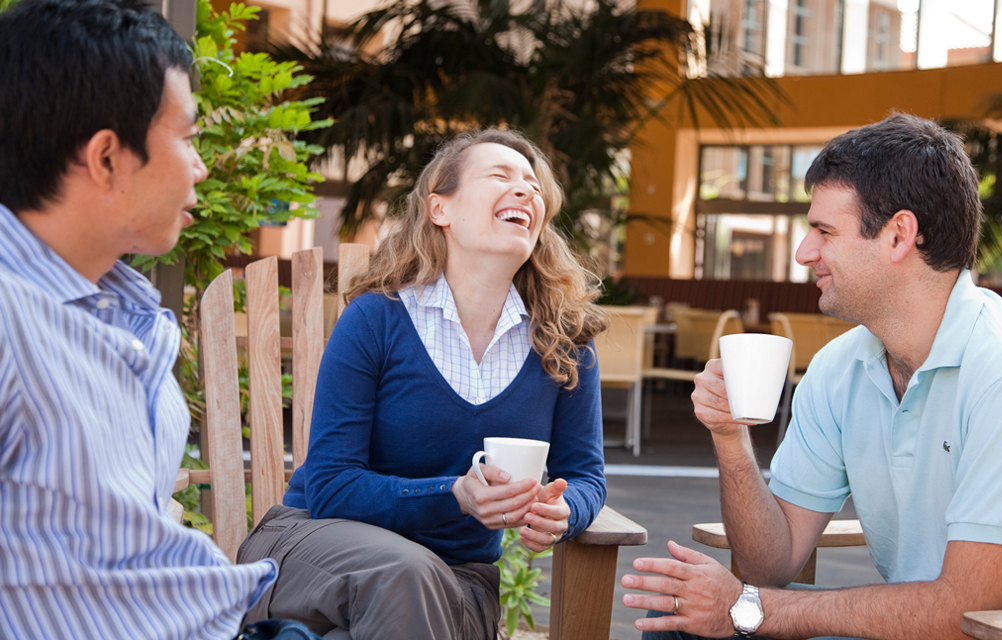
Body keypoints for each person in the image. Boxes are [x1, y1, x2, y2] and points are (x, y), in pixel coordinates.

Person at [620, 114, 1002, 640]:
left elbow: (968, 611)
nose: (804, 253)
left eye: (824, 231)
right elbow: (770, 566)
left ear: (897, 236)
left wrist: (747, 610)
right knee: (681, 622)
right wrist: (731, 438)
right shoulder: (840, 368)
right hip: (929, 627)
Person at [0, 0, 331, 638]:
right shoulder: (14, 318)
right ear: (106, 157)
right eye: (185, 138)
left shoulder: (125, 317)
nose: (200, 166)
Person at [236, 129, 609, 639]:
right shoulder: (377, 320)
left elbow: (586, 474)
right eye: (501, 176)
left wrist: (565, 510)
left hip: (455, 581)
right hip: (313, 547)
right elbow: (329, 487)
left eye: (534, 186)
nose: (526, 191)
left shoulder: (565, 344)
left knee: (406, 590)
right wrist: (453, 494)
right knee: (408, 573)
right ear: (440, 209)